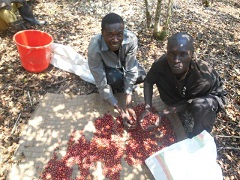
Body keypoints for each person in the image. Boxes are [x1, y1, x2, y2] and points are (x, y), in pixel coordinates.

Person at [140, 32, 227, 138]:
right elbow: (148, 81)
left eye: (183, 54)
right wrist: (148, 109)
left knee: (200, 106)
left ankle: (196, 140)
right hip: (184, 91)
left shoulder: (202, 77)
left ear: (192, 54)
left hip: (206, 96)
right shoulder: (162, 63)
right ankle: (176, 103)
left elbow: (189, 102)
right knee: (160, 76)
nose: (176, 60)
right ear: (167, 52)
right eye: (172, 54)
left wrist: (162, 113)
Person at [88, 13, 146, 129]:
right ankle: (116, 89)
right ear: (102, 33)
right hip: (108, 68)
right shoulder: (94, 48)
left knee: (141, 75)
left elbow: (131, 69)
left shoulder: (131, 39)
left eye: (119, 34)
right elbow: (101, 82)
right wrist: (120, 110)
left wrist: (128, 104)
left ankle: (122, 88)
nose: (115, 40)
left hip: (124, 65)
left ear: (123, 31)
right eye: (109, 35)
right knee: (115, 79)